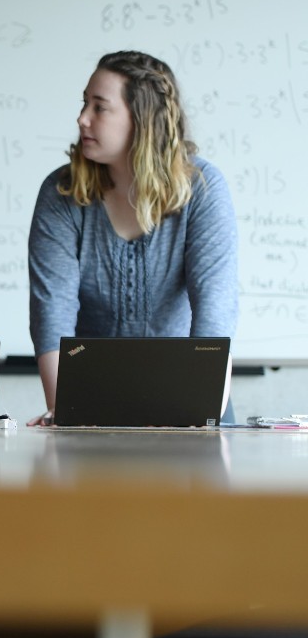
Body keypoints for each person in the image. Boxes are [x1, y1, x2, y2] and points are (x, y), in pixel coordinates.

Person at [27, 50, 238, 425]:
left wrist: (202, 413)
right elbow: (51, 312)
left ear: (142, 120)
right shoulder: (62, 192)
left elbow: (214, 309)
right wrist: (65, 410)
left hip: (191, 394)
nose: (82, 118)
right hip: (90, 397)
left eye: (99, 107)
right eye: (84, 103)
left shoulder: (202, 188)